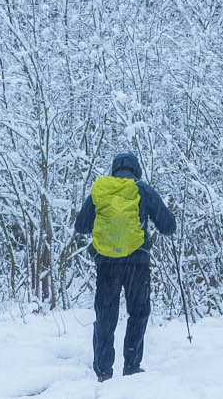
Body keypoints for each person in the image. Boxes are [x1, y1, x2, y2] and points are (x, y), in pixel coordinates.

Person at [74, 152, 177, 381]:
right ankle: (131, 367)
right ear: (136, 169)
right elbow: (168, 226)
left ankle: (103, 372)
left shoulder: (101, 190)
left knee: (106, 316)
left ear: (114, 169)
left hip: (107, 264)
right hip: (137, 263)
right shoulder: (142, 190)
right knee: (138, 313)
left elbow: (80, 225)